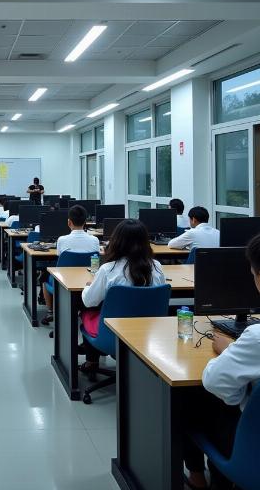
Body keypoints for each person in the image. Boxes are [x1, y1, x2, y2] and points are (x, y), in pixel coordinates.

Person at [183, 233, 260, 489]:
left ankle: (204, 477)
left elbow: (215, 382)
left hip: (252, 446)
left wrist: (230, 351)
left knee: (188, 400)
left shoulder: (256, 338)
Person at [80, 219, 165, 372]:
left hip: (113, 335)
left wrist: (88, 287)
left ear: (116, 241)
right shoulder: (157, 267)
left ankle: (92, 362)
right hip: (148, 333)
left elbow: (89, 301)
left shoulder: (108, 269)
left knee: (87, 312)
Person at [41, 206, 100, 326]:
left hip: (64, 280)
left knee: (44, 278)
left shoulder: (62, 240)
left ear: (69, 222)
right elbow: (95, 265)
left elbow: (60, 258)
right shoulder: (95, 240)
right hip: (87, 280)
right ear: (86, 222)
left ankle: (50, 311)